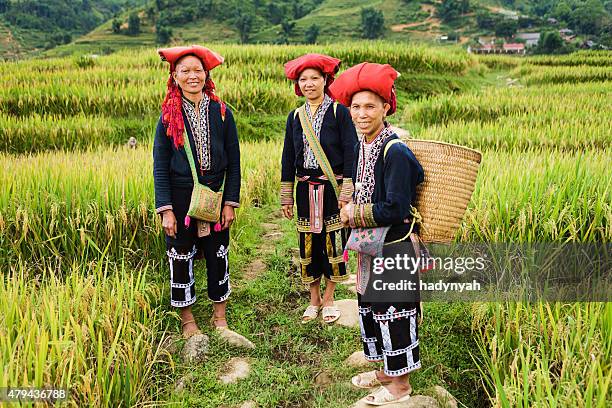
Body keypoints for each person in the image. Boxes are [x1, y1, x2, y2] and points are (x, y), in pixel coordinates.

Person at [330, 62, 424, 405]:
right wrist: (352, 200)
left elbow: (396, 208)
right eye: (355, 106)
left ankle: (401, 388)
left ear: (387, 107)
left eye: (370, 105)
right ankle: (386, 373)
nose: (361, 113)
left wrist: (355, 213)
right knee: (374, 308)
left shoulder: (394, 150)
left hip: (395, 247)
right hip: (374, 247)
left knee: (394, 313)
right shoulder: (365, 146)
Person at [153, 45, 250, 347]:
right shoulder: (168, 116)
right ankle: (189, 321)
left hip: (215, 195)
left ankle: (220, 318)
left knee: (217, 253)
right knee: (181, 255)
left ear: (206, 74)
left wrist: (230, 202)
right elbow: (159, 165)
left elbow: (234, 161)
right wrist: (166, 210)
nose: (192, 76)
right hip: (181, 199)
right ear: (175, 76)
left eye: (197, 70)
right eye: (185, 71)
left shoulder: (221, 112)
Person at [281, 53, 358, 323]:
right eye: (304, 79)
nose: (309, 84)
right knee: (308, 243)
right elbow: (288, 157)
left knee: (334, 242)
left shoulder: (339, 112)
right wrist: (286, 196)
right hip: (304, 190)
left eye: (315, 78)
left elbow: (351, 151)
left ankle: (330, 297)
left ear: (326, 80)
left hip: (333, 190)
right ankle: (313, 299)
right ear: (298, 84)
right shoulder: (295, 117)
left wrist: (347, 190)